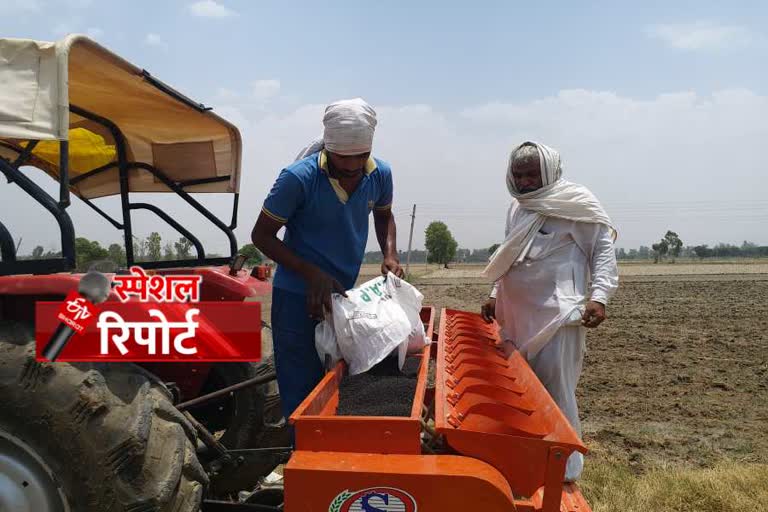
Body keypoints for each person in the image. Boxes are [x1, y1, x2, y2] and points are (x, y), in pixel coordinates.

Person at [252, 98, 404, 423]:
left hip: (342, 295)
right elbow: (261, 236)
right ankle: (301, 460)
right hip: (298, 297)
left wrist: (390, 253)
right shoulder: (297, 179)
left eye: (360, 159)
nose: (351, 169)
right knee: (301, 388)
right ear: (328, 148)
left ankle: (330, 456)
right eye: (342, 161)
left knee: (337, 379)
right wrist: (311, 273)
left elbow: (384, 215)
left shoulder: (380, 174)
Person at [480, 141, 618, 481]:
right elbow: (510, 254)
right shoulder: (517, 207)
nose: (525, 181)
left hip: (558, 318)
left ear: (550, 172)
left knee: (555, 396)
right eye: (519, 174)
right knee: (520, 394)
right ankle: (528, 464)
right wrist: (495, 293)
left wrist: (599, 297)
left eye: (532, 174)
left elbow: (602, 252)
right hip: (515, 317)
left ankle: (565, 472)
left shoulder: (576, 202)